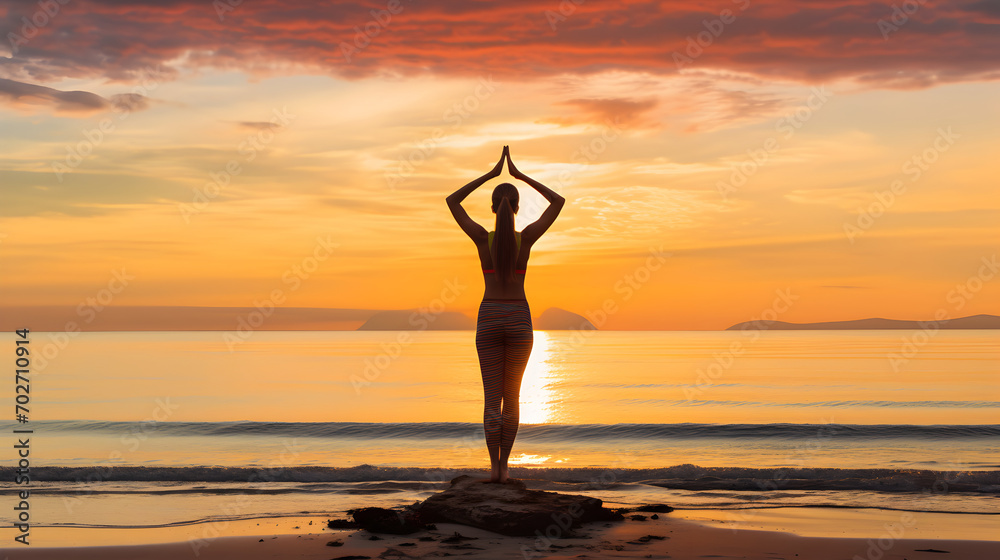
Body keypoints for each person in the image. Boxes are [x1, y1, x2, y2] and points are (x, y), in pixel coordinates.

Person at [446, 145, 565, 483]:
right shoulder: (525, 239)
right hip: (518, 319)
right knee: (511, 398)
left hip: (488, 318)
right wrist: (519, 175)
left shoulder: (483, 239)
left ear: (493, 207)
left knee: (490, 398)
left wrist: (490, 173)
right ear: (516, 207)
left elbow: (452, 202)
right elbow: (558, 203)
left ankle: (493, 466)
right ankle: (505, 469)